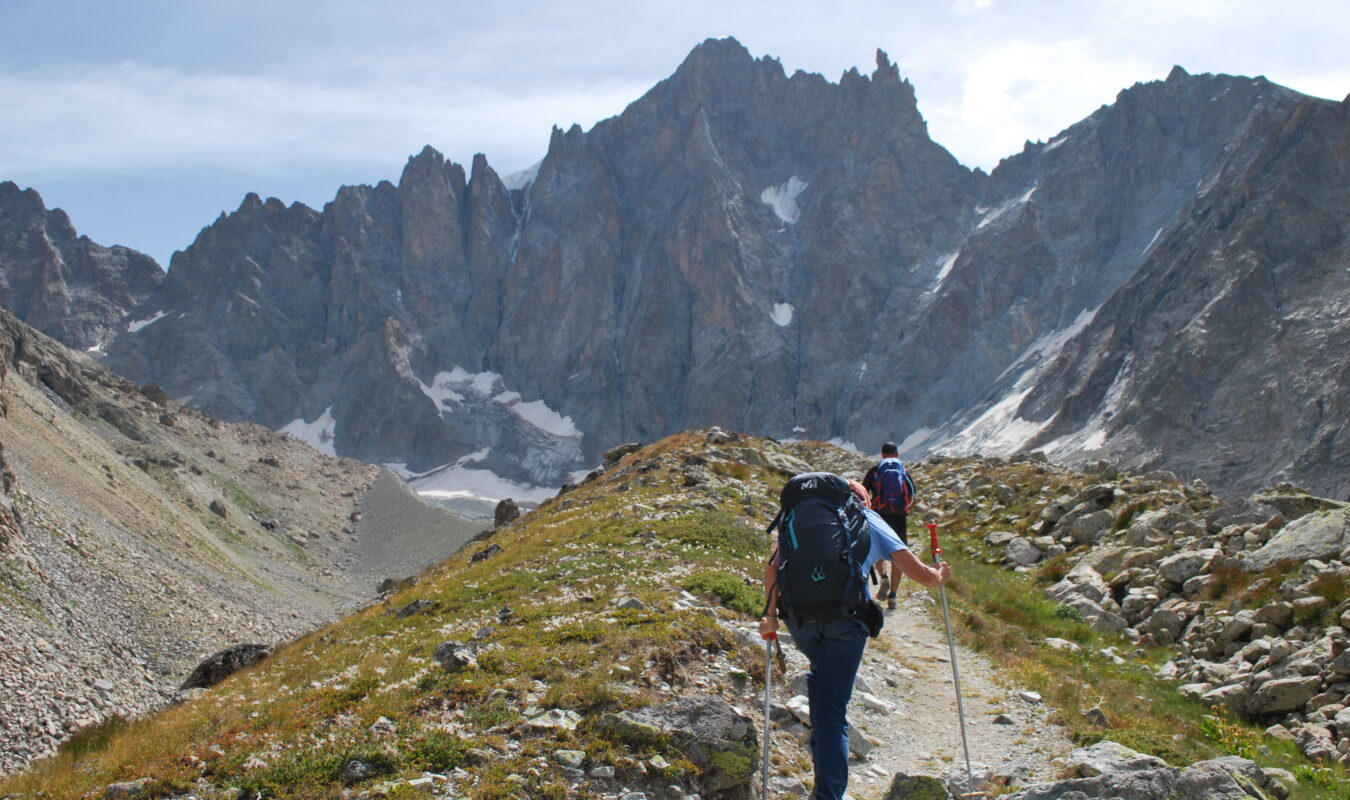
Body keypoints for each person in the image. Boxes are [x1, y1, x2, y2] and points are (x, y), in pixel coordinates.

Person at [759, 479, 951, 800]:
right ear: (861, 500)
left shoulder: (797, 518)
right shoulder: (866, 518)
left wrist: (771, 617)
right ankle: (828, 794)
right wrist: (938, 576)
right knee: (833, 710)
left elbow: (771, 570)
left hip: (800, 620)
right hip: (846, 620)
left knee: (822, 684)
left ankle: (823, 777)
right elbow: (918, 573)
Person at [861, 443, 915, 610]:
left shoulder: (876, 470)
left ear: (882, 454)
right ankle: (893, 596)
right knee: (898, 551)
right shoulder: (903, 471)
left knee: (878, 548)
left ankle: (883, 575)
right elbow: (912, 495)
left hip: (879, 515)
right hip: (899, 517)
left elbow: (863, 492)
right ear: (897, 454)